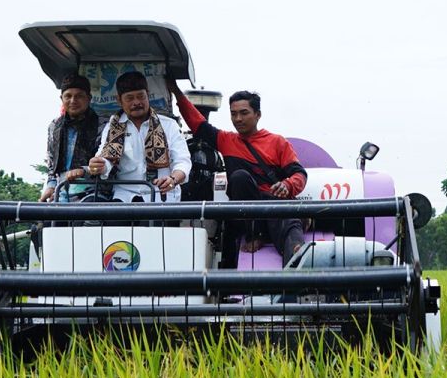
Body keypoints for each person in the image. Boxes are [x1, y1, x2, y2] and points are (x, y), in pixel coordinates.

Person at [168, 81, 307, 267]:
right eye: (233, 114)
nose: (238, 119)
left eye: (244, 113)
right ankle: (253, 236)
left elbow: (299, 174)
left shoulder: (278, 142)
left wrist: (287, 185)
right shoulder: (226, 140)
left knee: (292, 231)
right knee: (239, 177)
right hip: (245, 216)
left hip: (273, 206)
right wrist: (176, 92)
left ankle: (298, 282)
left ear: (258, 115)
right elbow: (197, 124)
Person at [87, 72, 191, 202]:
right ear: (119, 100)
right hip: (124, 197)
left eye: (141, 96)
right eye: (130, 98)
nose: (136, 102)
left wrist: (173, 179)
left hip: (162, 196)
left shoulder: (169, 125)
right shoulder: (112, 127)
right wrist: (99, 165)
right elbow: (105, 159)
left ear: (147, 95)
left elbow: (183, 161)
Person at [40, 73, 106, 202]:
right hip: (61, 190)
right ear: (61, 99)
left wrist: (84, 171)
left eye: (79, 96)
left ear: (89, 98)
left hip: (94, 190)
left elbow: (109, 162)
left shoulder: (104, 125)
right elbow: (52, 164)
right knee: (45, 220)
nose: (73, 101)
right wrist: (51, 186)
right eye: (68, 96)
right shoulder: (54, 126)